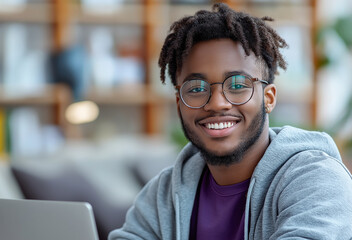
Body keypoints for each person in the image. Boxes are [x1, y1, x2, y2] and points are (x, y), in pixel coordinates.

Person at [109, 3, 352, 240]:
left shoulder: (317, 180)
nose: (216, 103)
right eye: (196, 88)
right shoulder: (163, 193)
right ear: (178, 103)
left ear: (268, 98)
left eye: (237, 85)